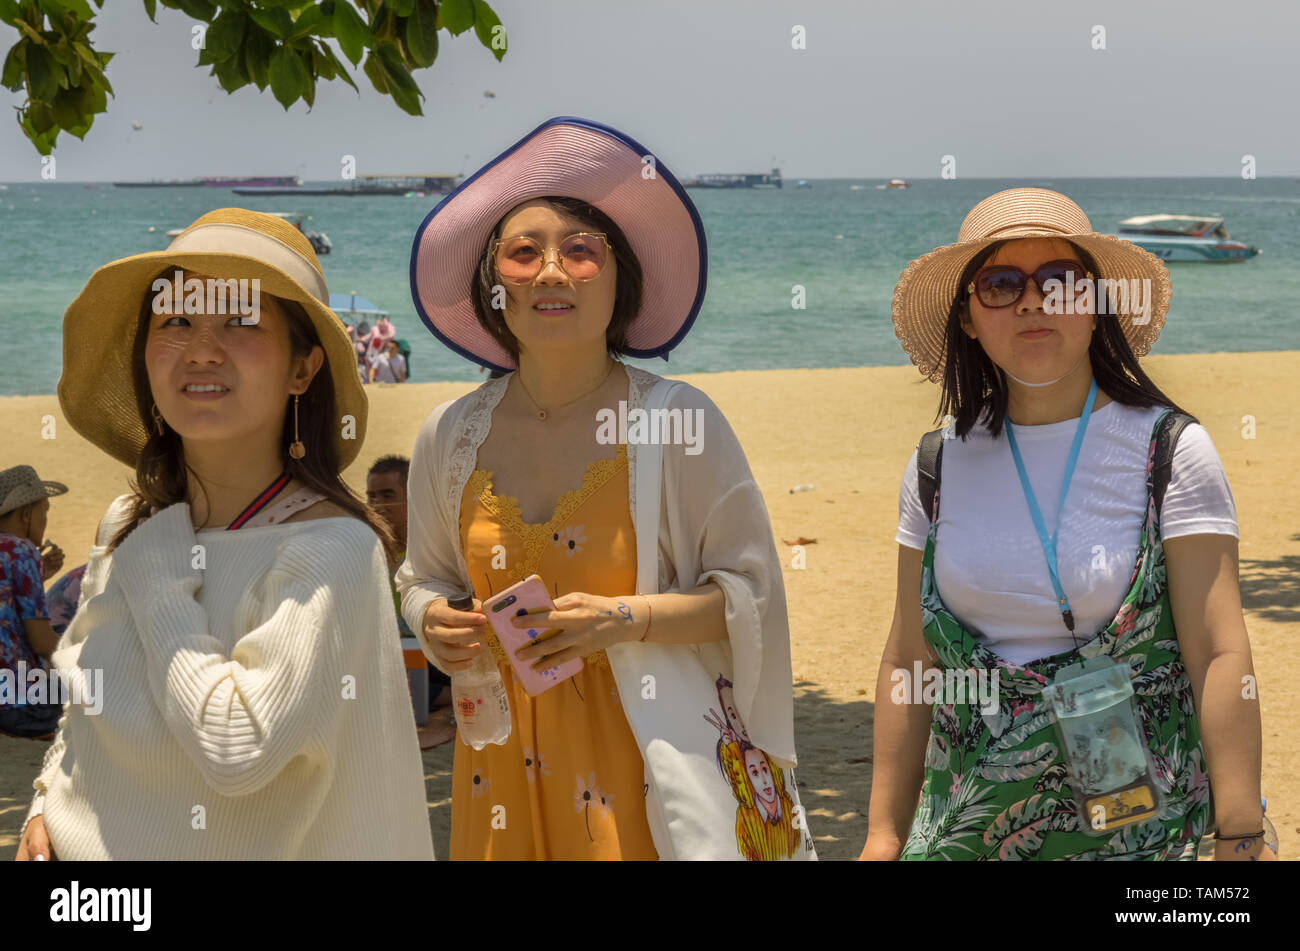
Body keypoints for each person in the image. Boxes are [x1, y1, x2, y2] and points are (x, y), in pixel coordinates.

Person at [397, 117, 813, 860]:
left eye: (581, 251)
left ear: (620, 280)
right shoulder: (449, 435)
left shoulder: (677, 419)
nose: (552, 272)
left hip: (648, 767)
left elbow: (751, 595)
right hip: (495, 769)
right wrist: (431, 619)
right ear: (494, 287)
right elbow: (420, 575)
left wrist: (626, 617)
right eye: (524, 253)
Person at [861, 188, 1269, 861]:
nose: (1032, 300)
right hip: (960, 838)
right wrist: (882, 836)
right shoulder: (938, 464)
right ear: (968, 316)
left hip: (1141, 842)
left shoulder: (1168, 451)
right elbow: (909, 660)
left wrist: (1241, 833)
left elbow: (1220, 652)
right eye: (1000, 283)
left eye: (1061, 280)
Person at [15, 208, 434, 861]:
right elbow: (89, 685)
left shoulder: (331, 549)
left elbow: (238, 745)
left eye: (240, 320)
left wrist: (156, 571)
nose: (201, 347)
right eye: (176, 319)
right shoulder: (129, 517)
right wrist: (45, 798)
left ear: (304, 369)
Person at [367, 454, 455, 749]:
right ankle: (446, 705)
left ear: (411, 497)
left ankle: (448, 706)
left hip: (434, 652)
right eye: (371, 496)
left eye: (387, 495)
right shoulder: (370, 551)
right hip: (395, 656)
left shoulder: (435, 548)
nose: (377, 505)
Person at [0, 466, 67, 740]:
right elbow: (41, 642)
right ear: (25, 514)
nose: (45, 519)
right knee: (101, 693)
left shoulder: (14, 554)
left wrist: (37, 576)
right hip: (16, 703)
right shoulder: (21, 550)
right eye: (45, 510)